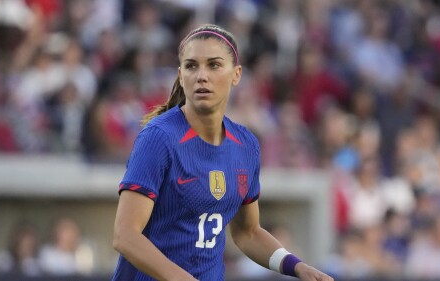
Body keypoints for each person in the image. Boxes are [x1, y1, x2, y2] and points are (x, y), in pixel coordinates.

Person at [111, 24, 333, 281]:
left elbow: (248, 232)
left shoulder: (246, 144)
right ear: (181, 75)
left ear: (236, 74)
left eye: (214, 65)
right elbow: (125, 235)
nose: (201, 76)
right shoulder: (158, 137)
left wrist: (296, 266)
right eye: (191, 66)